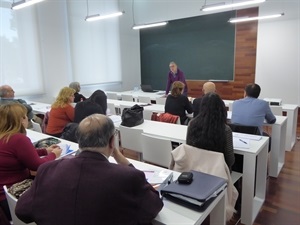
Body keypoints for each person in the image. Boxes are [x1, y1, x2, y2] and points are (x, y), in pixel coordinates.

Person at [15, 114, 163, 225]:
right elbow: (154, 206)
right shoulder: (128, 177)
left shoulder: (47, 169)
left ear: (79, 141)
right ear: (112, 141)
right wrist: (123, 161)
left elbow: (22, 211)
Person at [0, 103, 62, 222]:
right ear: (21, 119)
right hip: (12, 198)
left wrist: (45, 150)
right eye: (25, 116)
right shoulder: (19, 139)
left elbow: (21, 153)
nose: (28, 118)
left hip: (4, 198)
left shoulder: (5, 136)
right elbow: (38, 166)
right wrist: (54, 154)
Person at [186, 92, 235, 171]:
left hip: (196, 168)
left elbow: (188, 147)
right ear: (221, 108)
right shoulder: (225, 129)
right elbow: (230, 160)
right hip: (218, 172)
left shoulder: (192, 124)